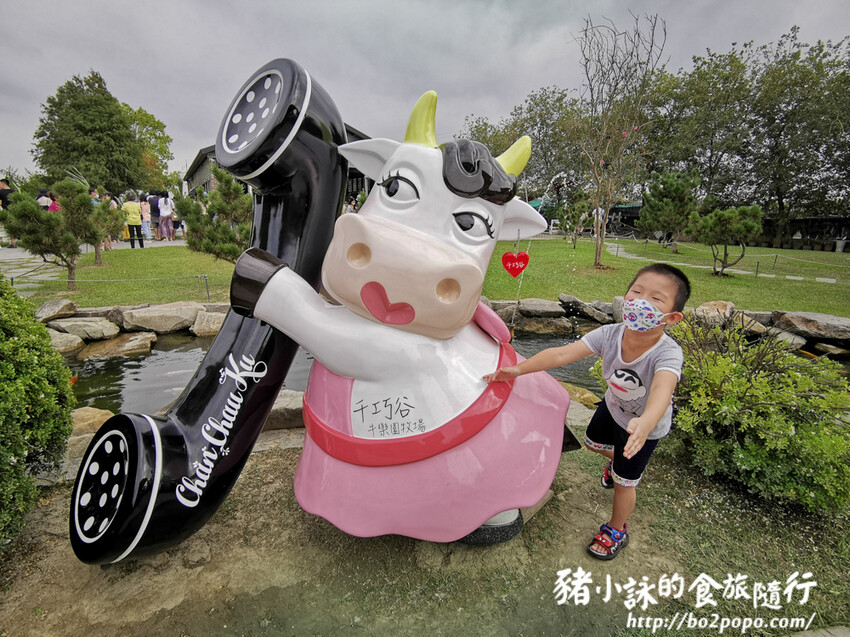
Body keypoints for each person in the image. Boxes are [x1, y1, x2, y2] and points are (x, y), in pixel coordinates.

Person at [484, 263, 691, 560]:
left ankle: (616, 530)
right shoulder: (610, 334)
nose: (642, 301)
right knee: (593, 443)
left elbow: (662, 389)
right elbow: (562, 353)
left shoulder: (668, 352)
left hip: (642, 429)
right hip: (613, 407)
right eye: (637, 291)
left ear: (671, 316)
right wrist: (517, 369)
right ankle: (616, 465)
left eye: (656, 299)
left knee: (624, 483)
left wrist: (645, 423)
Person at [0, 178, 17, 247]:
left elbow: (0, 203)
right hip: (14, 211)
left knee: (8, 227)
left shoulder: (1, 192)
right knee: (13, 227)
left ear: (3, 183)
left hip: (6, 212)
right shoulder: (15, 191)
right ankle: (13, 242)